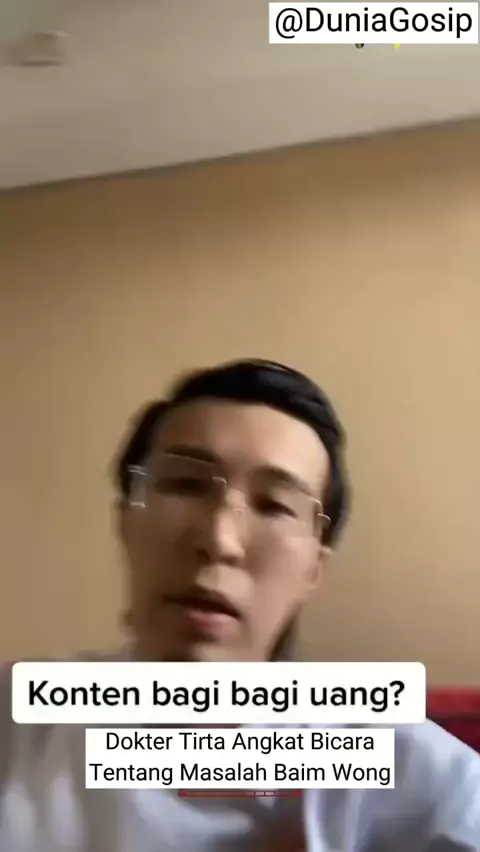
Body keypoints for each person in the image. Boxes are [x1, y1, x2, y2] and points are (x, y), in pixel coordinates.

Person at [0, 358, 479, 851]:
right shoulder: (16, 722)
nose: (219, 540)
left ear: (314, 568)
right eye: (184, 485)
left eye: (275, 505)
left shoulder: (418, 776)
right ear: (125, 522)